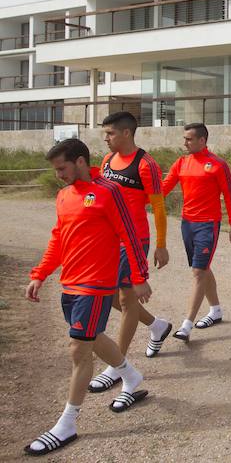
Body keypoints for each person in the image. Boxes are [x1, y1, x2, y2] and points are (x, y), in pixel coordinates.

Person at [24, 139, 150, 455]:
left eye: (62, 168)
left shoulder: (107, 191)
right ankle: (131, 376)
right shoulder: (63, 196)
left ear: (80, 162)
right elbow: (58, 238)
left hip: (96, 286)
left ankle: (67, 424)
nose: (58, 176)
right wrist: (40, 273)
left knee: (79, 350)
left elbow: (129, 235)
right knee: (92, 338)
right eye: (55, 170)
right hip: (70, 284)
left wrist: (138, 278)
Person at [87, 113, 172, 395]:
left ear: (126, 133)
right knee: (109, 294)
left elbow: (158, 208)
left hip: (134, 241)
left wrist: (161, 244)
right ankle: (157, 325)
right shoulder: (107, 161)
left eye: (110, 133)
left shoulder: (146, 165)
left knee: (126, 299)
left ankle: (117, 364)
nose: (106, 138)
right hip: (108, 240)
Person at [162, 123, 231, 340]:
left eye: (189, 139)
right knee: (202, 269)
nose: (184, 143)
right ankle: (215, 310)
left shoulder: (217, 164)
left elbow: (229, 195)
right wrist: (137, 200)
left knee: (198, 272)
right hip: (187, 224)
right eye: (184, 138)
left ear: (202, 140)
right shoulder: (181, 163)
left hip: (208, 224)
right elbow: (163, 189)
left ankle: (186, 325)